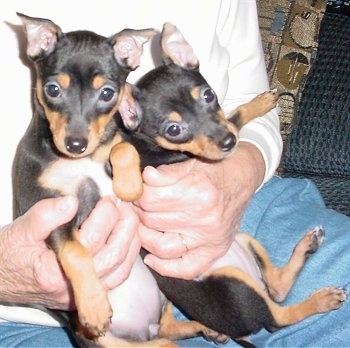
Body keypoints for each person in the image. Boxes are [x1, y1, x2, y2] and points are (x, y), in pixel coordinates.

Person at [0, 1, 349, 347]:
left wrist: (235, 177)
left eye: (107, 94)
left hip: (231, 204)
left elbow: (253, 98)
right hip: (38, 309)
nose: (78, 129)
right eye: (55, 90)